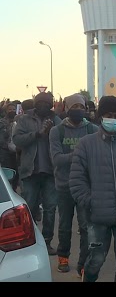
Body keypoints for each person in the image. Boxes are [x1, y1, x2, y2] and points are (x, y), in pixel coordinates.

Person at [68, 95, 116, 282]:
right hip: (98, 216)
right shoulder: (86, 145)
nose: (113, 119)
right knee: (96, 259)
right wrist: (91, 201)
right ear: (101, 117)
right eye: (109, 115)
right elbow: (77, 180)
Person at [49, 93, 98, 276]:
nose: (78, 110)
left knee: (86, 226)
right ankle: (63, 256)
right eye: (74, 107)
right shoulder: (57, 131)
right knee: (64, 224)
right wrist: (79, 154)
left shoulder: (92, 130)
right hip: (64, 185)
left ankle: (84, 262)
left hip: (86, 186)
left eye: (81, 107)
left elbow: (96, 157)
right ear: (67, 109)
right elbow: (56, 160)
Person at [12, 91, 62, 255]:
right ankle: (30, 241)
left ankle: (46, 242)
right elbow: (17, 140)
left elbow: (62, 141)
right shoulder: (24, 120)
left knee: (50, 209)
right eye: (41, 103)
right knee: (29, 208)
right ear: (35, 104)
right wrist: (37, 134)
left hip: (50, 173)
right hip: (30, 172)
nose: (44, 106)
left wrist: (51, 133)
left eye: (47, 104)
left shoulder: (56, 121)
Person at [0, 100, 20, 191]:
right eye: (9, 109)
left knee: (16, 173)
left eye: (13, 109)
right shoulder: (2, 123)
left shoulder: (19, 121)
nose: (12, 111)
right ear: (5, 111)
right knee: (7, 173)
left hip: (17, 153)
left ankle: (14, 189)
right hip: (5, 153)